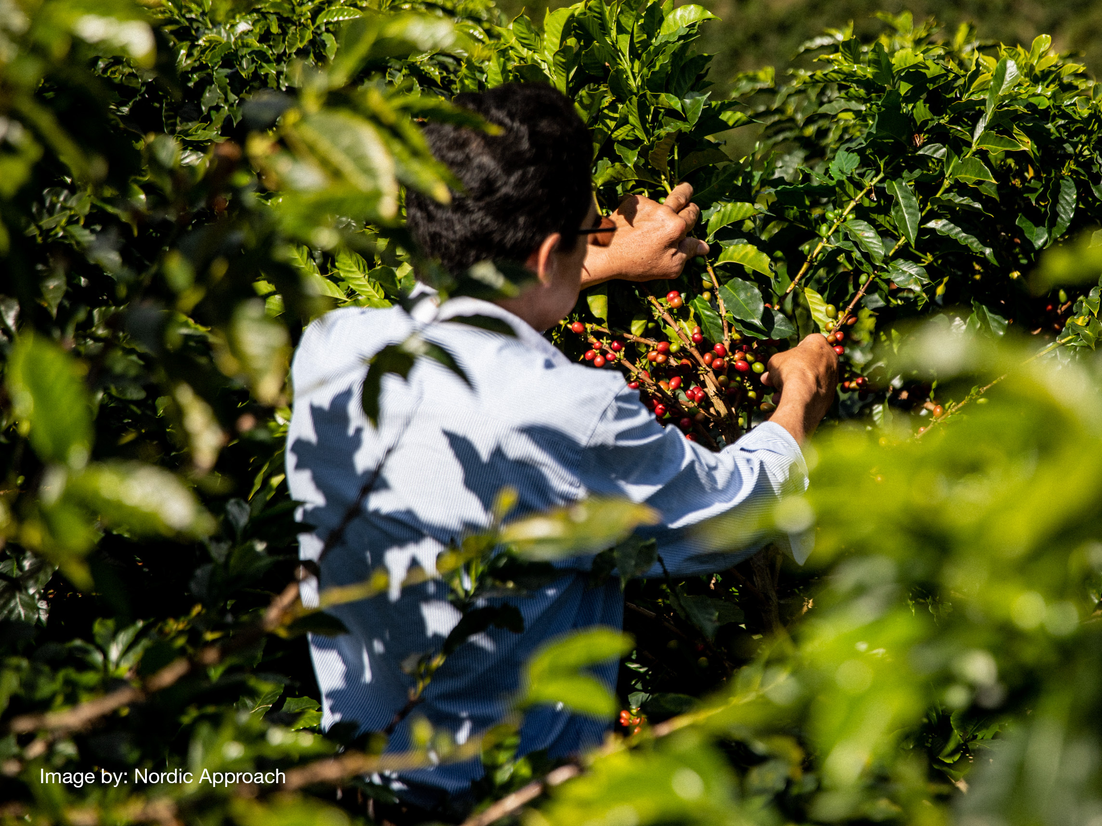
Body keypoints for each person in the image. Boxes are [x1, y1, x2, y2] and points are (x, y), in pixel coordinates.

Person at [284, 82, 837, 817]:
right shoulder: (576, 413)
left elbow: (476, 351)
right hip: (501, 802)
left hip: (348, 785)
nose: (593, 245)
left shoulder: (330, 348)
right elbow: (729, 505)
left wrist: (602, 263)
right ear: (550, 254)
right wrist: (798, 395)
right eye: (588, 231)